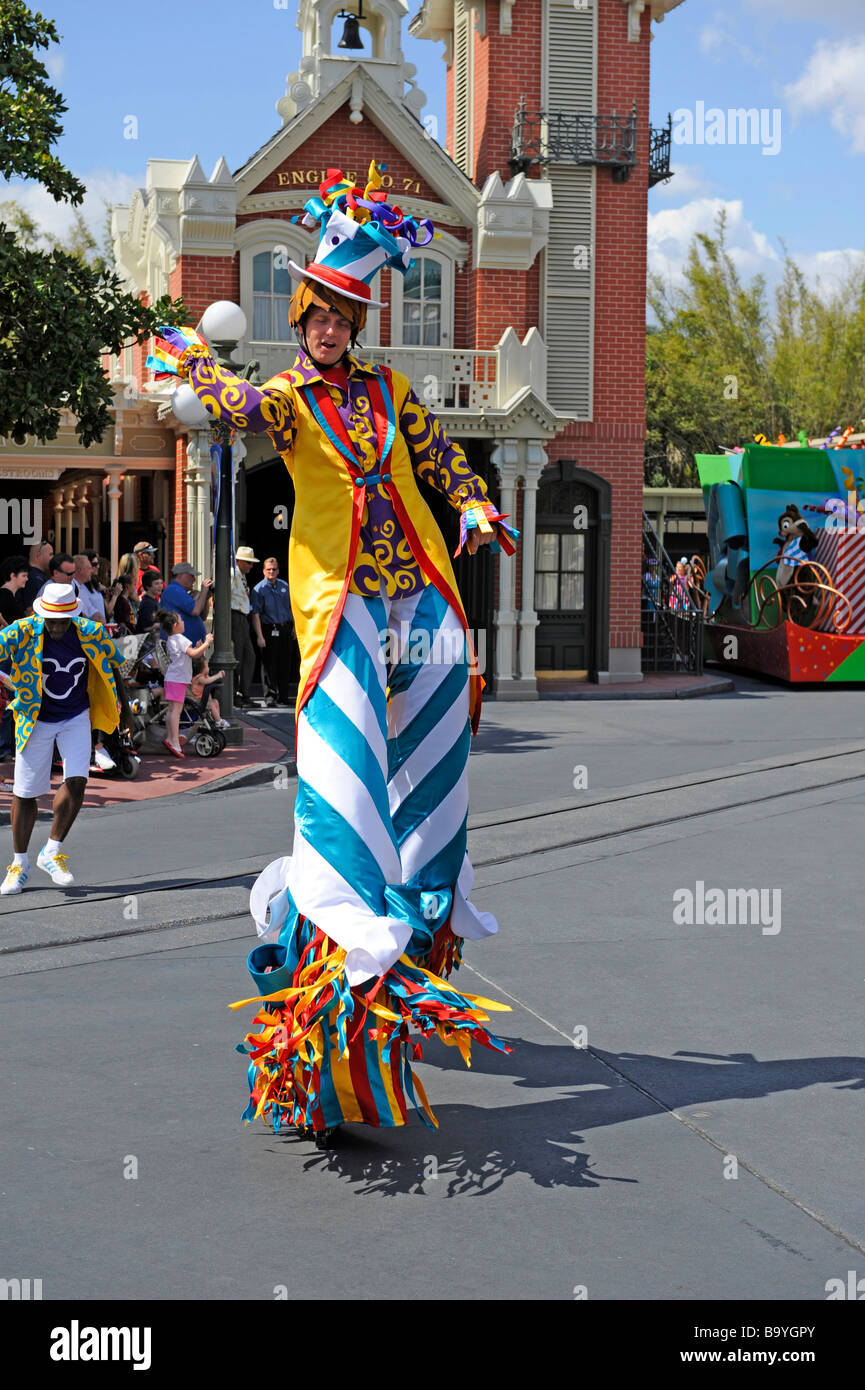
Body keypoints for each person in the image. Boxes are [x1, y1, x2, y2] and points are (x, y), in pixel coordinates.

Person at [148, 159, 517, 1144]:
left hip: (417, 592)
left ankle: (424, 908)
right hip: (341, 599)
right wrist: (194, 362)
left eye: (341, 320)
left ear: (356, 328)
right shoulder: (288, 398)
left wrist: (475, 502)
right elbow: (234, 412)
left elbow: (439, 453)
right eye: (316, 316)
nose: (327, 331)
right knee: (346, 775)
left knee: (436, 770)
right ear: (303, 319)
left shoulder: (390, 389)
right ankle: (342, 942)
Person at [0, 582, 127, 892]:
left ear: (73, 615)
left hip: (75, 716)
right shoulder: (22, 631)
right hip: (35, 718)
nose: (56, 626)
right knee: (26, 792)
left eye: (62, 620)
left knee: (77, 781)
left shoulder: (91, 632)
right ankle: (19, 863)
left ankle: (52, 851)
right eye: (51, 620)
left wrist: (126, 709)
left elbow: (113, 666)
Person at [157, 609, 213, 757]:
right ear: (175, 625)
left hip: (172, 678)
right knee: (176, 710)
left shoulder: (172, 639)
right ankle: (175, 741)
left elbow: (192, 653)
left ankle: (170, 738)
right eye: (181, 621)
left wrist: (200, 646)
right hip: (178, 679)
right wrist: (206, 643)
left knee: (171, 710)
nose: (183, 623)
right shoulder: (180, 639)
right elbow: (194, 654)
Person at [250, 557, 293, 707]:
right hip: (268, 629)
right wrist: (260, 636)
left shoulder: (285, 586)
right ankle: (270, 697)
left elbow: (291, 608)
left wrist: (293, 627)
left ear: (278, 570)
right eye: (268, 569)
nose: (271, 572)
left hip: (285, 627)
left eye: (274, 569)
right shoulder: (258, 589)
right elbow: (255, 614)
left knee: (285, 663)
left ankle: (284, 696)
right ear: (263, 571)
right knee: (269, 665)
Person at [230, 546, 258, 707]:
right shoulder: (232, 574)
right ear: (238, 561)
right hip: (234, 617)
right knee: (237, 657)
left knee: (249, 656)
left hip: (242, 618)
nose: (251, 566)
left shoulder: (241, 576)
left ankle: (244, 693)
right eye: (248, 562)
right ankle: (235, 695)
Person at [161, 562, 212, 646]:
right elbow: (195, 610)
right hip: (181, 650)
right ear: (181, 575)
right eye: (191, 576)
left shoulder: (178, 591)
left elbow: (202, 616)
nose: (194, 579)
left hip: (189, 649)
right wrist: (203, 591)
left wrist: (205, 596)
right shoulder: (174, 590)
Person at [190, 656, 229, 727]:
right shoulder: (199, 678)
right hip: (197, 700)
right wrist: (218, 676)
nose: (208, 667)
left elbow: (210, 679)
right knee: (211, 704)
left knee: (215, 701)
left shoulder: (204, 675)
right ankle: (218, 721)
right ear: (202, 669)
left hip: (203, 699)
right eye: (207, 666)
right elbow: (207, 681)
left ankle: (217, 719)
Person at [19, 540, 53, 616]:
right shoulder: (32, 578)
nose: (53, 558)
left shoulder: (35, 576)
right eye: (50, 554)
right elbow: (31, 610)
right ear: (38, 556)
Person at [73, 554, 106, 623]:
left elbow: (90, 609)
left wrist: (98, 616)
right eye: (89, 568)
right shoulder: (71, 588)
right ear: (80, 570)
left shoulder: (80, 588)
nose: (91, 571)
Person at [0, 555, 29, 627]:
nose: (27, 579)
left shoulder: (9, 594)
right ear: (12, 576)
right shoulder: (5, 594)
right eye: (23, 576)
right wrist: (8, 628)